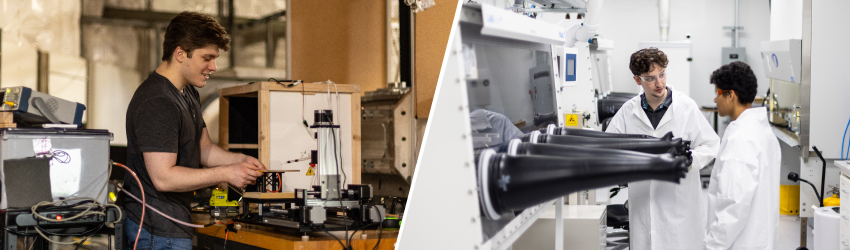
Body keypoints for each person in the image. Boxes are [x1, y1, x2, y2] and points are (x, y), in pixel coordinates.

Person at [123, 12, 266, 249]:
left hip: (173, 226)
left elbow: (204, 149)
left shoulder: (187, 93)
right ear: (180, 53)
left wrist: (241, 161)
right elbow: (163, 178)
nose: (214, 66)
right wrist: (226, 173)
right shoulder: (158, 101)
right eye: (207, 58)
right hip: (157, 231)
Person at [605, 47, 720, 250]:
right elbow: (608, 148)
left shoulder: (686, 107)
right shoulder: (629, 111)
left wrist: (690, 160)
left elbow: (711, 144)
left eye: (662, 75)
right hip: (642, 203)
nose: (659, 83)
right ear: (637, 80)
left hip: (680, 203)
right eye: (650, 78)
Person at [704, 61, 780, 250]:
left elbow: (733, 204)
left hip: (740, 242)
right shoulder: (762, 132)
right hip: (758, 239)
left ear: (731, 95)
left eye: (718, 93)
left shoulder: (741, 138)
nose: (715, 100)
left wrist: (712, 246)